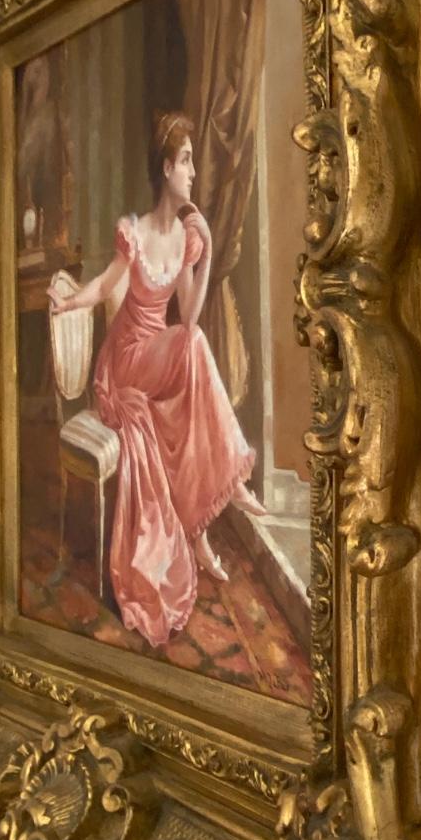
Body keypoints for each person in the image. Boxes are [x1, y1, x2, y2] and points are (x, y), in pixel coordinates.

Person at [47, 110, 265, 647]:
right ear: (166, 169)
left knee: (193, 351)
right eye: (186, 161)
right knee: (192, 347)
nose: (192, 172)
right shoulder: (135, 232)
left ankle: (202, 524)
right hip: (125, 360)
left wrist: (206, 256)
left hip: (160, 352)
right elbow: (106, 286)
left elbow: (187, 316)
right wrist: (69, 302)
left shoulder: (187, 239)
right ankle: (228, 484)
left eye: (191, 161)